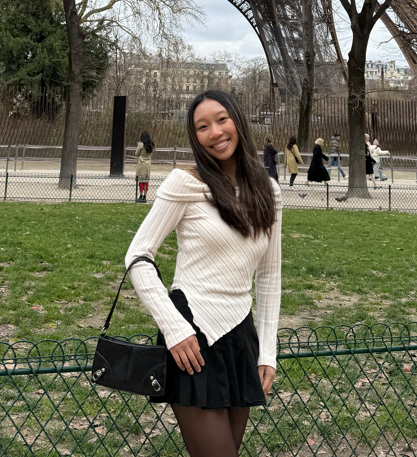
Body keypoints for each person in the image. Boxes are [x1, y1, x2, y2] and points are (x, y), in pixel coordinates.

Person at [125, 90, 282, 457]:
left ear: (238, 121)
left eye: (222, 120)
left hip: (241, 337)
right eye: (202, 127)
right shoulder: (185, 183)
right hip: (191, 338)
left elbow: (269, 276)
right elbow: (138, 255)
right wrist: (174, 328)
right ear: (194, 136)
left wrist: (268, 352)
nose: (215, 132)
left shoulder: (269, 191)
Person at [135, 131, 154, 202]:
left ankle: (140, 195)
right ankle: (145, 196)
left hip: (141, 163)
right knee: (146, 180)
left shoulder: (141, 144)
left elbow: (136, 154)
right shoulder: (151, 144)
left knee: (141, 180)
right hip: (148, 164)